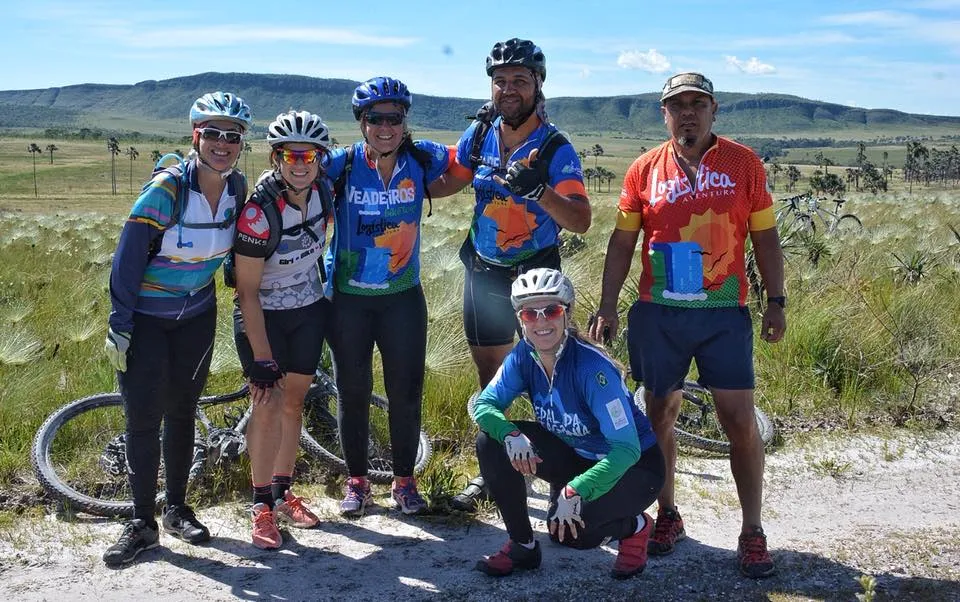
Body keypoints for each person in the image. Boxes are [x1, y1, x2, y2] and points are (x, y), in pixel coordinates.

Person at [589, 72, 786, 578]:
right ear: (664, 114)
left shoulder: (745, 164)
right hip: (660, 314)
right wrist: (608, 304)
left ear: (714, 110)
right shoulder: (643, 170)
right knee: (659, 416)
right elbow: (621, 242)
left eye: (698, 104)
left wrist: (777, 301)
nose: (689, 113)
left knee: (739, 419)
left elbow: (765, 239)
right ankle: (667, 514)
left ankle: (752, 530)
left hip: (724, 313)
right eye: (678, 106)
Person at [428, 37, 591, 512]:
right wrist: (395, 188)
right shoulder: (479, 136)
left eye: (520, 80)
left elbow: (580, 219)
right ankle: (496, 472)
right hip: (483, 273)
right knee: (492, 380)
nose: (508, 89)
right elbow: (451, 180)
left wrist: (539, 189)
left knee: (552, 376)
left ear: (539, 85)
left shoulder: (554, 147)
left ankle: (567, 473)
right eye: (500, 81)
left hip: (535, 276)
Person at [102, 91, 252, 566]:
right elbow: (127, 260)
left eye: (233, 136)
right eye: (213, 133)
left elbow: (231, 249)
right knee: (144, 419)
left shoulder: (236, 188)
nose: (223, 144)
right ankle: (142, 522)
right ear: (196, 136)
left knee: (184, 411)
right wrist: (120, 324)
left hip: (196, 316)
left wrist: (237, 281)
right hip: (146, 320)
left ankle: (176, 509)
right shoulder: (166, 190)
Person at [471, 268, 664, 579]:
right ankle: (523, 546)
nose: (541, 321)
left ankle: (636, 526)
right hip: (579, 457)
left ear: (567, 313)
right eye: (530, 314)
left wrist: (576, 490)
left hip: (634, 467)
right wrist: (509, 434)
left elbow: (626, 450)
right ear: (520, 319)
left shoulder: (592, 369)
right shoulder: (523, 356)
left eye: (552, 310)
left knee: (575, 536)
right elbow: (484, 406)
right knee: (490, 441)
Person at [322, 76, 453, 517]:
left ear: (404, 121)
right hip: (349, 299)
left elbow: (470, 162)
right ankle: (356, 483)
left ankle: (404, 481)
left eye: (393, 118)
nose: (384, 127)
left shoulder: (421, 159)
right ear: (361, 122)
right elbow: (294, 177)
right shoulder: (340, 164)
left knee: (406, 391)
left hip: (402, 298)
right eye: (374, 118)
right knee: (352, 391)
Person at [232, 110, 334, 549]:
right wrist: (261, 356)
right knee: (268, 403)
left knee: (294, 404)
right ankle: (260, 507)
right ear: (276, 158)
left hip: (308, 311)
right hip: (263, 316)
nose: (300, 162)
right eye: (290, 154)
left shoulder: (324, 192)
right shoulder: (258, 214)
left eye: (308, 154)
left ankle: (281, 489)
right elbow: (247, 292)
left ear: (319, 159)